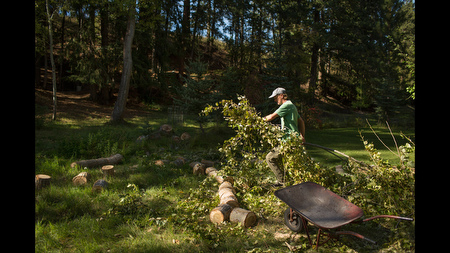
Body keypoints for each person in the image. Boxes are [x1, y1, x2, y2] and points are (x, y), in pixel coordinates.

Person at [263, 87, 305, 186]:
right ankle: (290, 182)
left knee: (270, 158)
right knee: (289, 163)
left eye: (275, 97)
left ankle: (283, 181)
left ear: (281, 96)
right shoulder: (292, 106)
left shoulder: (286, 105)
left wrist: (256, 120)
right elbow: (301, 121)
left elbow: (271, 117)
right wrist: (302, 136)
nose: (274, 100)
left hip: (289, 140)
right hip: (293, 140)